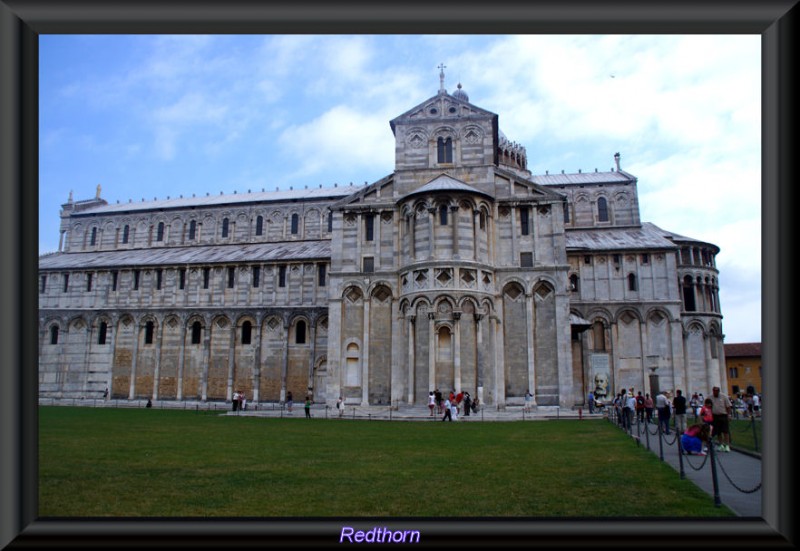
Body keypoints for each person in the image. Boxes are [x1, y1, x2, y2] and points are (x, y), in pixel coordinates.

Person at [710, 386, 732, 452]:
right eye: (714, 391)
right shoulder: (710, 397)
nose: (715, 392)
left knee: (725, 431)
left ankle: (727, 445)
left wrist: (729, 415)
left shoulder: (724, 397)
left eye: (716, 391)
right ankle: (721, 445)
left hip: (723, 415)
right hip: (715, 416)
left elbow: (728, 406)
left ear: (718, 391)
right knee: (718, 431)